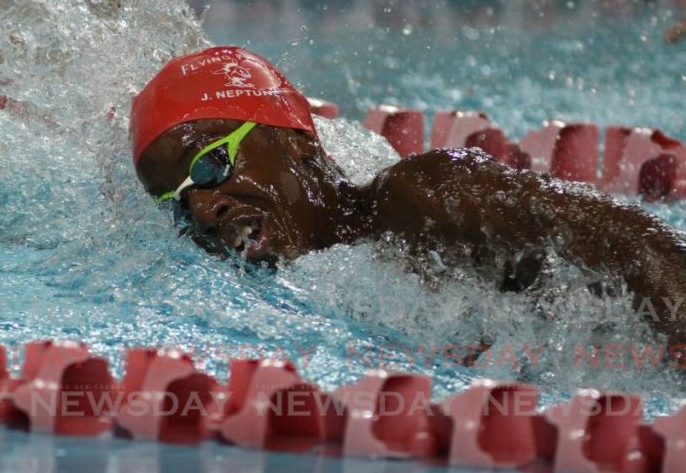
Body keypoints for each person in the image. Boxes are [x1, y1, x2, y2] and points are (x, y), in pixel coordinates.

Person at [130, 46, 686, 349]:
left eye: (210, 164)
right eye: (174, 202)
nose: (202, 209)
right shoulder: (285, 298)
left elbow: (646, 248)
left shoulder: (425, 199)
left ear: (296, 140)